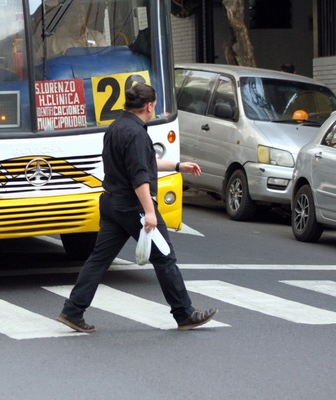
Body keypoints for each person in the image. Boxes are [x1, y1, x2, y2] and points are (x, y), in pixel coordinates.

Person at [56, 83, 218, 333]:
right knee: (164, 258)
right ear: (149, 105)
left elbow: (144, 163)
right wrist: (150, 212)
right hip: (133, 206)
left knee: (98, 259)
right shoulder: (137, 134)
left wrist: (178, 166)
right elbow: (139, 176)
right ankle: (184, 314)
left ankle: (73, 310)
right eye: (154, 105)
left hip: (111, 203)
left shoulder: (116, 128)